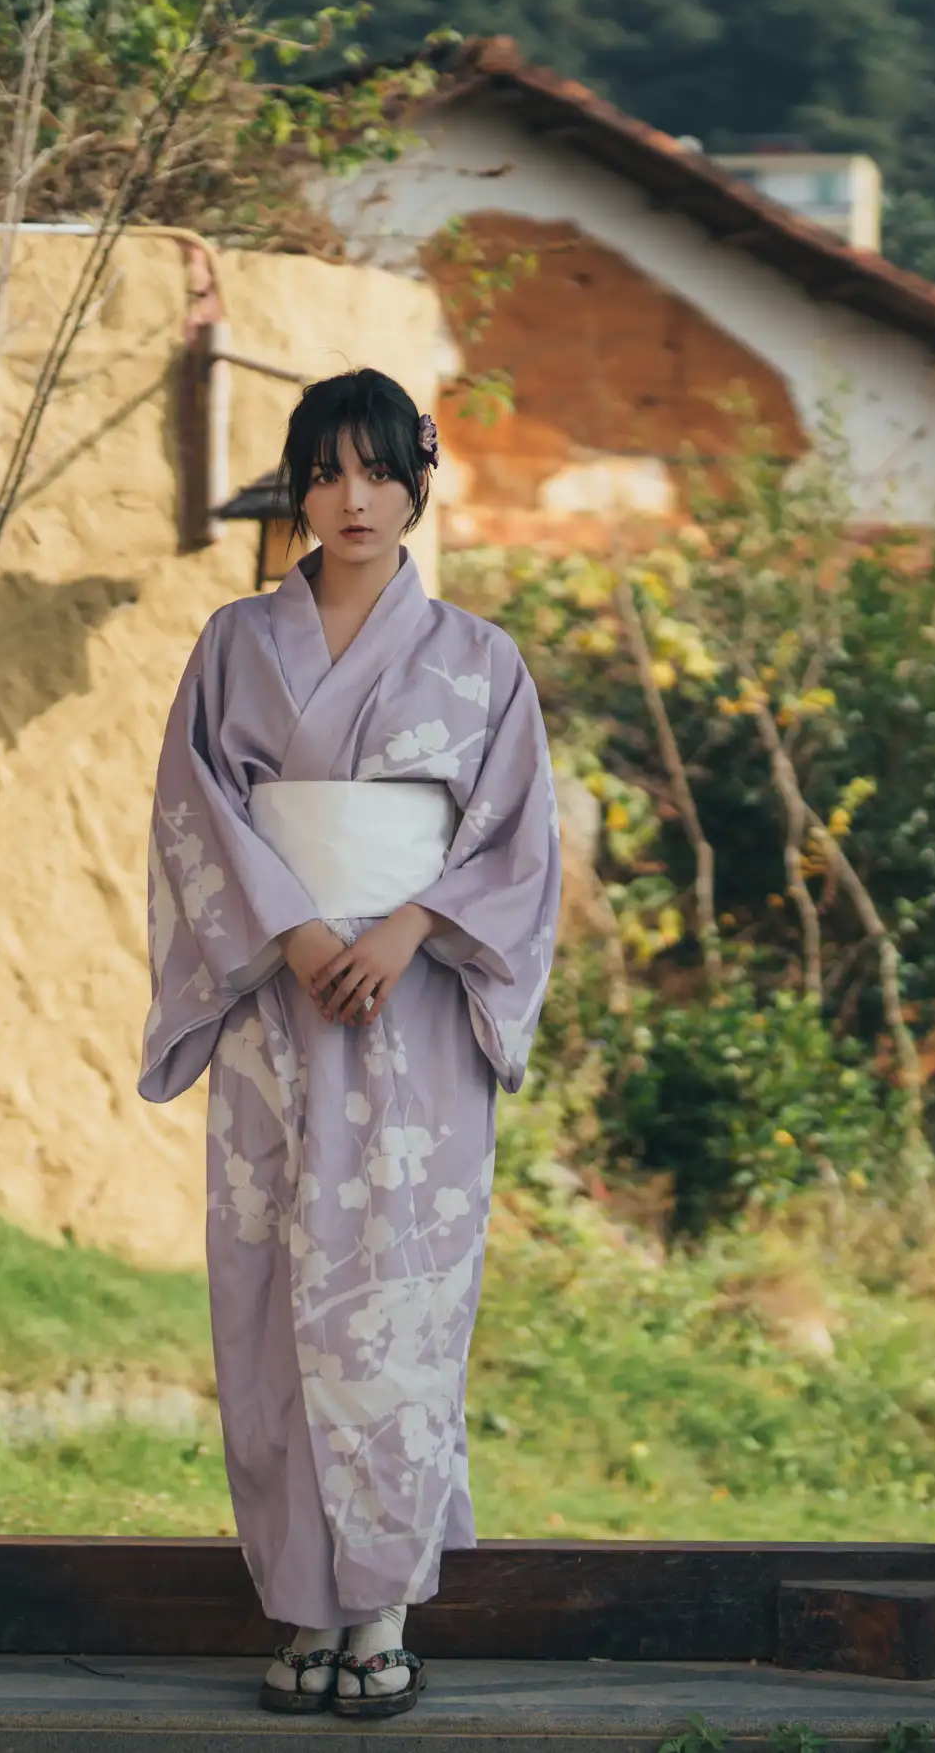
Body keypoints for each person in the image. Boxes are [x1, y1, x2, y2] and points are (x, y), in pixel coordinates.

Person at [138, 368, 562, 1720]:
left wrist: (404, 928)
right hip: (279, 1001)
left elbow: (515, 843)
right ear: (297, 489)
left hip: (415, 1008)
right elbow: (196, 811)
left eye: (377, 469)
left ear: (417, 480)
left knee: (397, 1292)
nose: (353, 497)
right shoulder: (232, 644)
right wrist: (298, 931)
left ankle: (375, 1607)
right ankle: (299, 1605)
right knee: (269, 1295)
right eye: (324, 472)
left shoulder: (480, 661)